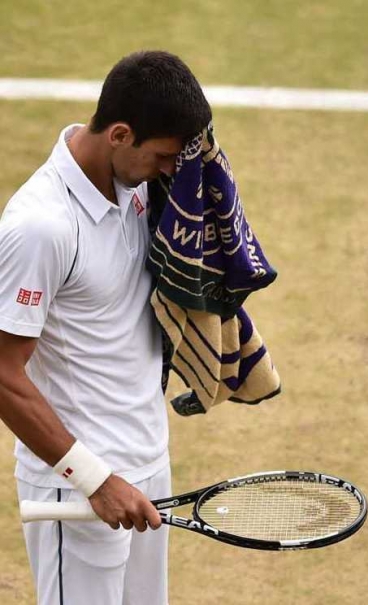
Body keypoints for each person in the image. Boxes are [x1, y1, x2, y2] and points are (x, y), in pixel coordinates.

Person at [0, 51, 212, 604]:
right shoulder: (41, 227)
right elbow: (2, 374)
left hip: (148, 463)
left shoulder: (143, 188)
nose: (172, 171)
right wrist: (94, 478)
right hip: (80, 486)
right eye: (163, 156)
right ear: (120, 134)